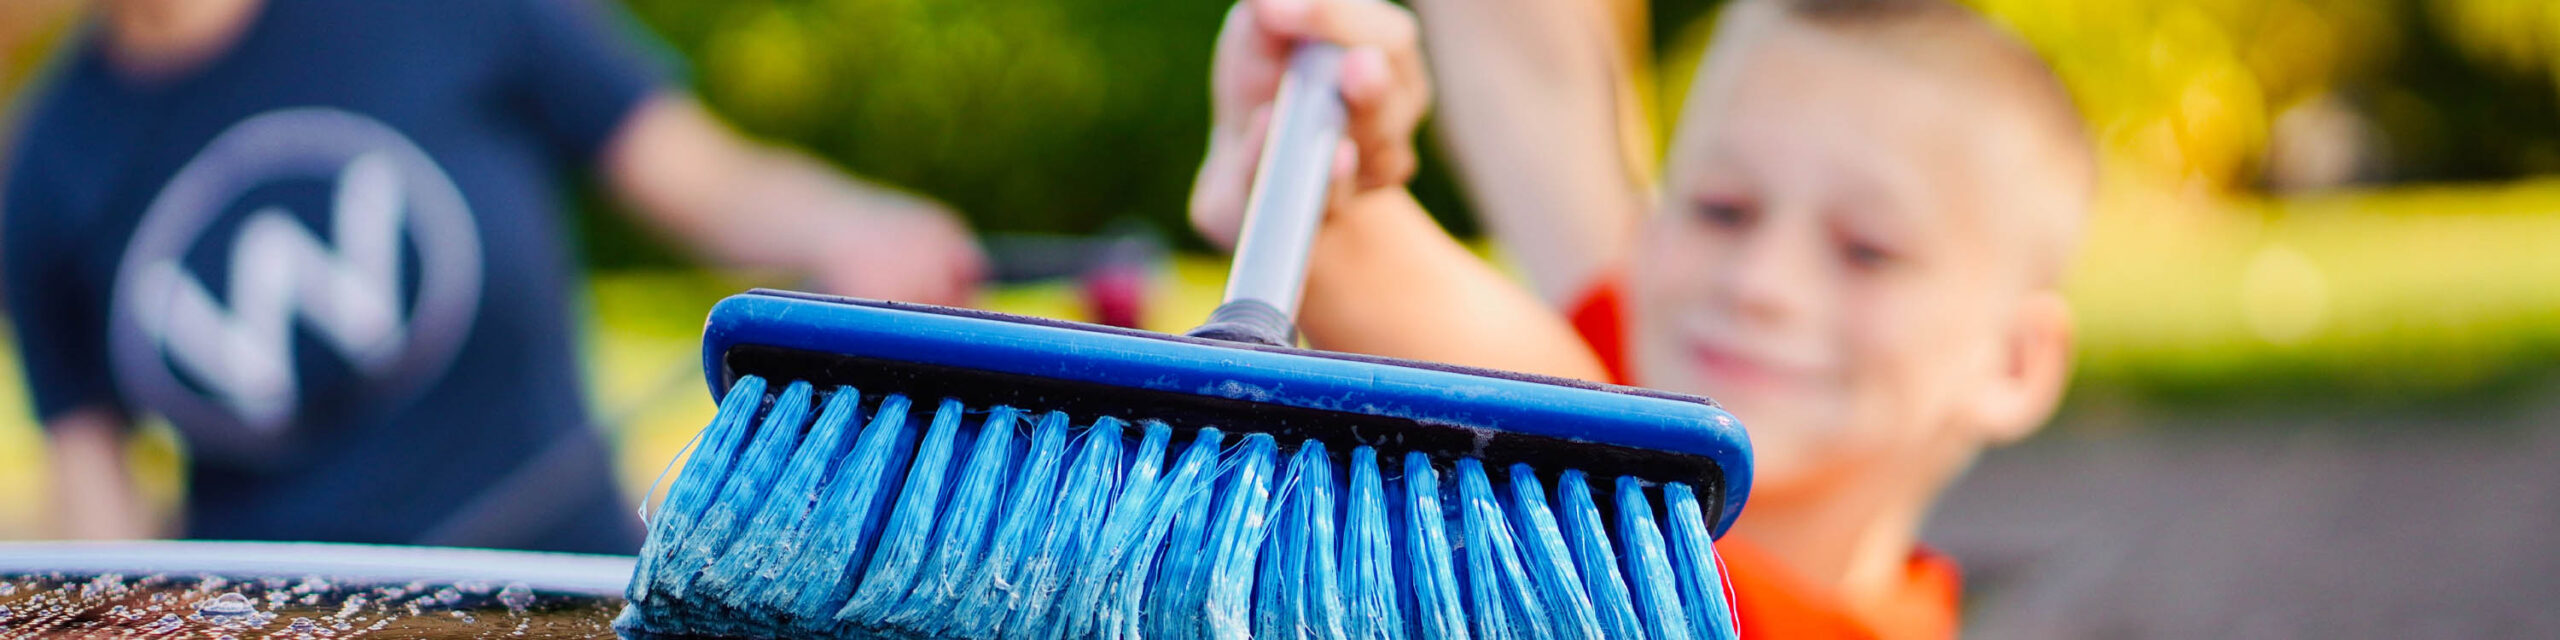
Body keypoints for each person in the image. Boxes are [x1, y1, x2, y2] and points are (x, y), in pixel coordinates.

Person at [1192, 0, 2094, 636]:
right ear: (1649, 231)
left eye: (1866, 250)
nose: (1760, 283)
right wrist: (1315, 134)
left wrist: (1335, 218)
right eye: (1721, 208)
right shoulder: (1652, 362)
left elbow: (1367, 267)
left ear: (2015, 361)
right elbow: (1527, 76)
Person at [3, 0, 984, 553]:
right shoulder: (44, 163)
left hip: (577, 591)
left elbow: (709, 182)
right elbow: (95, 486)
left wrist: (861, 226)